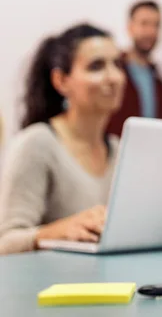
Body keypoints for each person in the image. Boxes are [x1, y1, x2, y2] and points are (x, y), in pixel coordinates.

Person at [0, 23, 126, 254]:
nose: (114, 77)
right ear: (61, 81)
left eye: (117, 64)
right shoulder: (36, 144)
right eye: (96, 66)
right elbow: (5, 243)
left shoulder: (120, 150)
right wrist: (53, 232)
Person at [106, 0, 162, 137]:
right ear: (130, 27)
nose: (151, 31)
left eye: (156, 25)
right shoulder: (113, 72)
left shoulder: (159, 80)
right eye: (144, 24)